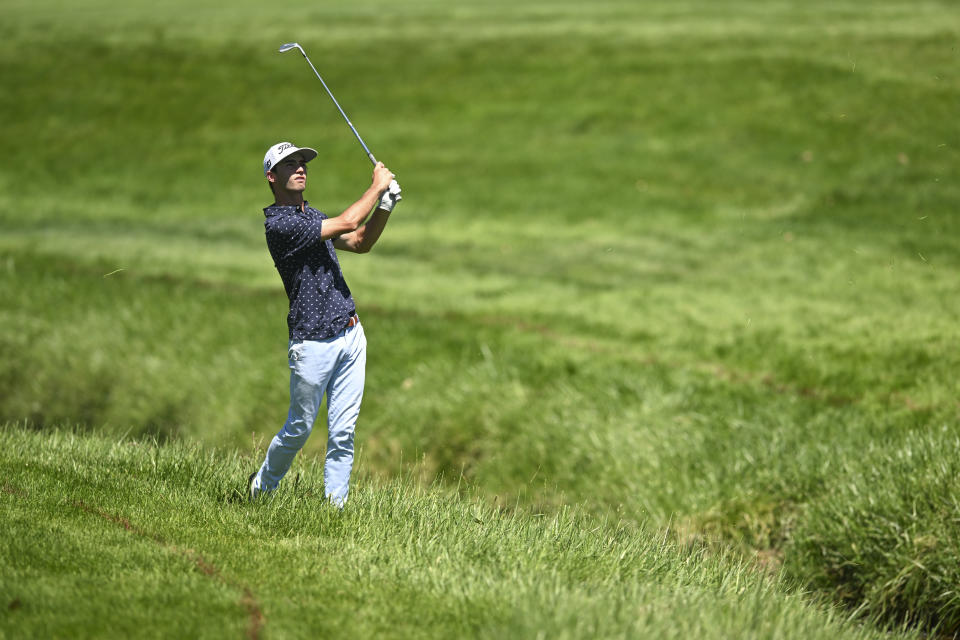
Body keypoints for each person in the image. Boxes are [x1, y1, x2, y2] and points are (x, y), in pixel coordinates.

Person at [248, 141, 402, 506]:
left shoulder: (312, 216)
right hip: (312, 342)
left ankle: (335, 508)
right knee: (299, 429)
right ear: (272, 177)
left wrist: (385, 205)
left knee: (344, 432)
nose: (300, 168)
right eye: (289, 165)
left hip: (350, 333)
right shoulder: (280, 225)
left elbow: (361, 241)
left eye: (302, 163)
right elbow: (349, 222)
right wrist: (376, 186)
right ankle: (261, 489)